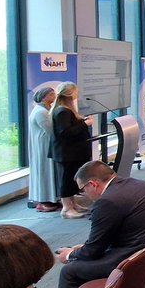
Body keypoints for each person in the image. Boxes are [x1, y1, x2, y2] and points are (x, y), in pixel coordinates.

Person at [54, 160, 145, 288]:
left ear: (93, 184)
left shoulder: (107, 201)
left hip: (134, 260)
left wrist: (70, 255)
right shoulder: (139, 184)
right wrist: (83, 250)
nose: (84, 193)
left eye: (83, 189)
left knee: (69, 271)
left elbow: (93, 250)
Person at [51, 81, 92, 219]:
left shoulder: (67, 110)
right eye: (75, 91)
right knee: (66, 179)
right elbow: (65, 132)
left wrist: (81, 121)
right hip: (67, 153)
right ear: (69, 94)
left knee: (72, 179)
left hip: (74, 152)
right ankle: (67, 208)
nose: (77, 94)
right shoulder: (62, 111)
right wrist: (85, 124)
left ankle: (73, 203)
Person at [28, 85, 60, 211]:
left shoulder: (45, 110)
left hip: (47, 144)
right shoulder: (41, 112)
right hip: (43, 146)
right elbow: (50, 130)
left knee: (50, 171)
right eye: (51, 94)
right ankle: (43, 200)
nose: (54, 96)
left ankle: (52, 197)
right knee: (44, 172)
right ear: (44, 96)